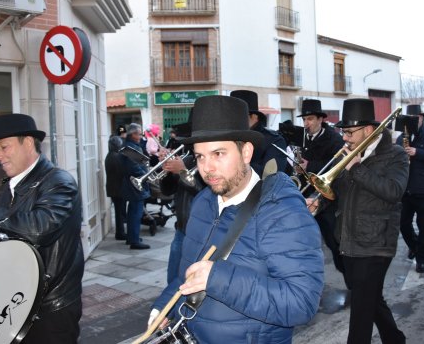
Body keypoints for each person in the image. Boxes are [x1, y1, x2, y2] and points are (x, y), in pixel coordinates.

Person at [148, 95, 324, 343]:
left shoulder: (283, 213)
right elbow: (189, 272)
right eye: (200, 156)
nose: (207, 168)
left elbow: (301, 303)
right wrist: (164, 305)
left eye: (218, 153)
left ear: (246, 152)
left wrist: (217, 279)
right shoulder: (202, 203)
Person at [0, 113, 84, 343]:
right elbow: (3, 231)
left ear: (28, 142)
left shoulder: (59, 181)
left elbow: (40, 227)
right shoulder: (12, 183)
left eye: (3, 147)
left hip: (50, 307)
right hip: (19, 301)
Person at [308, 98, 408, 344]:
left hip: (376, 242)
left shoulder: (395, 154)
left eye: (349, 132)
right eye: (343, 132)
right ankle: (395, 339)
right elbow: (338, 193)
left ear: (368, 130)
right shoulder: (350, 154)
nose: (345, 138)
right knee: (370, 298)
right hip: (348, 239)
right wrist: (319, 203)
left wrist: (357, 168)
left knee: (362, 309)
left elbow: (394, 191)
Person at [297, 99, 346, 279]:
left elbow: (335, 166)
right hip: (305, 197)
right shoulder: (302, 137)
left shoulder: (334, 139)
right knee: (305, 243)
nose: (306, 124)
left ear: (320, 119)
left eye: (309, 119)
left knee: (334, 242)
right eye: (304, 120)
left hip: (327, 200)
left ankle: (349, 277)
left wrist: (309, 165)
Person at [395, 105, 424, 273]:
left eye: (417, 118)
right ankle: (415, 246)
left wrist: (417, 152)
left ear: (422, 118)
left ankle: (422, 259)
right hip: (406, 189)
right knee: (403, 224)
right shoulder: (401, 137)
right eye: (410, 118)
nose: (414, 121)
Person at [159, 119, 206, 284]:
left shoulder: (207, 163)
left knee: (193, 281)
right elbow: (167, 191)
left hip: (202, 233)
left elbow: (204, 193)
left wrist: (183, 172)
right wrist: (166, 171)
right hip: (181, 229)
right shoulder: (186, 160)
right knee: (173, 279)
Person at [230, 90, 288, 175]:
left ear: (254, 116)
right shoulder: (227, 138)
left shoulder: (274, 141)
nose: (233, 120)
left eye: (239, 116)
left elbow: (271, 176)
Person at [121, 123, 151, 249]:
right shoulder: (131, 147)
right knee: (136, 213)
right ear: (133, 134)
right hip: (134, 185)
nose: (141, 136)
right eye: (139, 134)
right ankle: (134, 241)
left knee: (133, 212)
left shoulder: (131, 145)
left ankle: (132, 238)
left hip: (132, 184)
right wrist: (146, 174)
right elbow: (134, 167)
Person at [105, 135, 127, 240]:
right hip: (117, 188)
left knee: (119, 211)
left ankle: (120, 231)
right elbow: (122, 171)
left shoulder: (110, 155)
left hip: (114, 187)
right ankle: (120, 233)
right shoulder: (116, 156)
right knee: (119, 212)